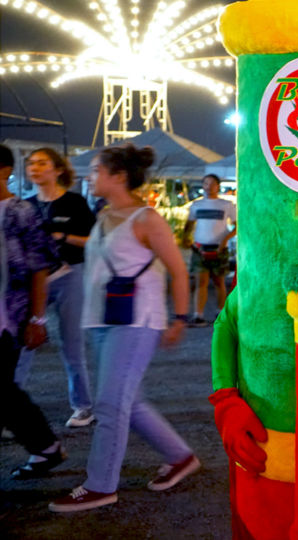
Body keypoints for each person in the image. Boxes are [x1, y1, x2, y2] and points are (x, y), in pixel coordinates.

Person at [49, 144, 199, 512]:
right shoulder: (103, 216)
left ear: (118, 176)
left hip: (136, 322)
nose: (90, 175)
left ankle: (101, 485)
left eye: (97, 169)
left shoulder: (147, 219)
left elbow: (179, 270)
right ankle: (180, 457)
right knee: (128, 402)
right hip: (103, 320)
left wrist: (179, 318)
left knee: (110, 405)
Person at [14, 147, 97, 429]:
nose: (34, 168)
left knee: (71, 343)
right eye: (31, 163)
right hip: (37, 279)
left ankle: (83, 407)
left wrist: (64, 236)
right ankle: (10, 408)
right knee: (23, 341)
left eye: (42, 163)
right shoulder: (24, 205)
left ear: (58, 169)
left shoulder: (75, 203)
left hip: (70, 275)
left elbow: (94, 242)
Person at [0, 143, 68, 479]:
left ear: (3, 172)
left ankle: (45, 446)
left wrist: (37, 319)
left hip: (8, 321)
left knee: (2, 389)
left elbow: (40, 269)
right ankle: (45, 447)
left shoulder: (20, 212)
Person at [181, 173, 237, 326]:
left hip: (220, 249)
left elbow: (236, 226)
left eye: (212, 183)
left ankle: (221, 313)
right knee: (200, 282)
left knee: (219, 282)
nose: (208, 186)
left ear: (218, 186)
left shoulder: (226, 205)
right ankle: (198, 315)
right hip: (199, 248)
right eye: (205, 183)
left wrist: (225, 239)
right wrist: (186, 238)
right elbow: (189, 224)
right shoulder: (196, 205)